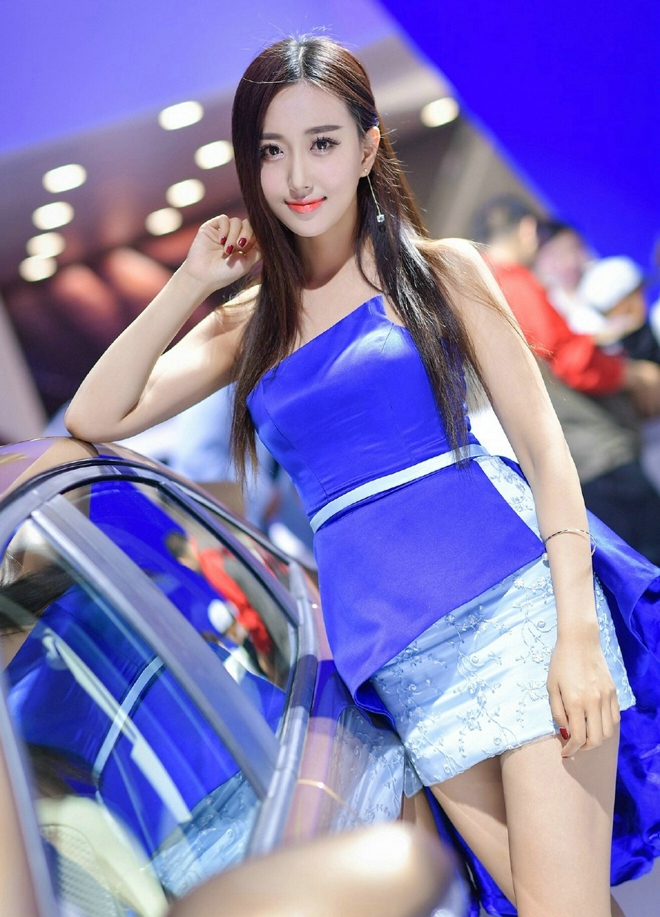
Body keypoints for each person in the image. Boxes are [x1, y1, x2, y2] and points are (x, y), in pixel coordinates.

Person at [64, 36, 660, 917]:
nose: (298, 175)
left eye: (322, 142)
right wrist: (188, 280)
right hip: (401, 657)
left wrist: (576, 632)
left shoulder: (442, 270)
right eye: (272, 150)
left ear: (369, 145)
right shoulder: (249, 326)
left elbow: (545, 452)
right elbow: (94, 415)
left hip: (518, 612)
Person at [472, 195, 660, 564]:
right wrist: (632, 375)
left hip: (561, 461)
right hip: (593, 452)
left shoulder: (481, 292)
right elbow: (568, 359)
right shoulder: (511, 282)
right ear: (529, 231)